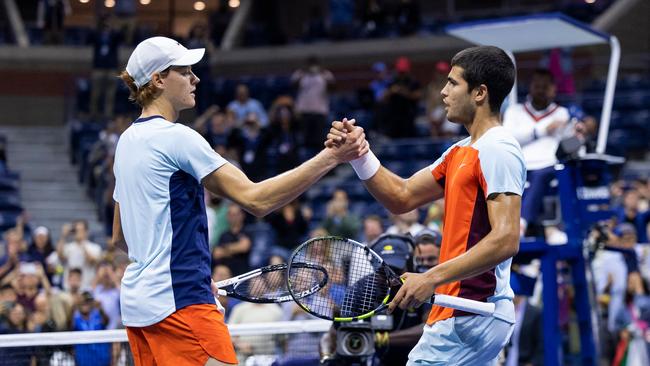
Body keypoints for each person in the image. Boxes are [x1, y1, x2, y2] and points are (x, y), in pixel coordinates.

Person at [112, 36, 368, 366]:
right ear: (159, 80)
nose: (196, 78)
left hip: (138, 307)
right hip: (180, 303)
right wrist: (332, 157)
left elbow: (120, 238)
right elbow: (256, 200)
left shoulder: (126, 143)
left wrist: (177, 268)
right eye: (185, 71)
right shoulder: (176, 138)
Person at [327, 45, 525, 365]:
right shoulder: (460, 151)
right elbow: (401, 196)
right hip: (463, 312)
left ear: (479, 93)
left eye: (452, 83)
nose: (443, 92)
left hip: (470, 312)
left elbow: (506, 239)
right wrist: (359, 154)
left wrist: (431, 277)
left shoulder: (498, 149)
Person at [502, 69, 575, 239]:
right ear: (530, 87)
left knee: (542, 175)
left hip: (549, 166)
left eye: (545, 86)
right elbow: (508, 138)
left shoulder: (561, 113)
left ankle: (521, 224)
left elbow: (570, 143)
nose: (541, 90)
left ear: (553, 89)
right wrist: (542, 130)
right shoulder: (515, 111)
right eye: (537, 86)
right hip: (519, 166)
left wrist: (577, 134)